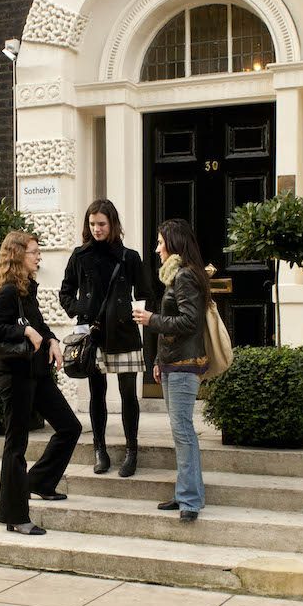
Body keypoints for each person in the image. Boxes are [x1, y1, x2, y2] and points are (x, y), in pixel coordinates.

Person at [0, 231, 82, 536]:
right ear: (17, 256)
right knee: (16, 445)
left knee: (69, 427)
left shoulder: (26, 289)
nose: (39, 257)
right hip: (16, 377)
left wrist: (50, 339)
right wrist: (24, 334)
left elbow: (37, 323)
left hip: (36, 373)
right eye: (34, 252)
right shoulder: (9, 292)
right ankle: (15, 515)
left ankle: (39, 481)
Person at [59, 199, 154, 477]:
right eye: (92, 224)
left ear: (112, 224)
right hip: (92, 334)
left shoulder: (129, 257)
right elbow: (65, 293)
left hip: (124, 332)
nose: (97, 229)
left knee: (128, 396)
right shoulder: (79, 255)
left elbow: (147, 292)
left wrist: (135, 312)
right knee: (97, 394)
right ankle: (99, 449)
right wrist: (82, 310)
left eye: (101, 223)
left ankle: (131, 451)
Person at [133, 218, 209, 522]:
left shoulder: (185, 277)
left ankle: (190, 500)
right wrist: (157, 362)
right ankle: (185, 494)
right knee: (181, 432)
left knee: (183, 431)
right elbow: (174, 326)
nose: (157, 249)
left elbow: (190, 323)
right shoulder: (176, 276)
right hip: (171, 364)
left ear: (174, 244)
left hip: (183, 365)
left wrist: (151, 319)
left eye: (161, 243)